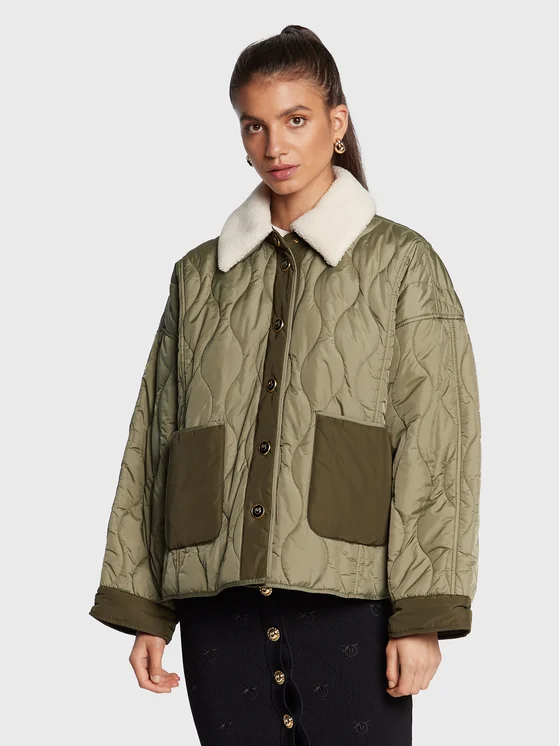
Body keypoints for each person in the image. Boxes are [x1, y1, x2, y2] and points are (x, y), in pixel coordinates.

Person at [89, 24, 481, 746]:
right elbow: (155, 439)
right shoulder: (198, 277)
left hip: (351, 604)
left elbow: (438, 441)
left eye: (295, 120)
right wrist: (147, 609)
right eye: (255, 125)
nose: (274, 145)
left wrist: (422, 615)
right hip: (218, 607)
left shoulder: (402, 265)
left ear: (337, 122)